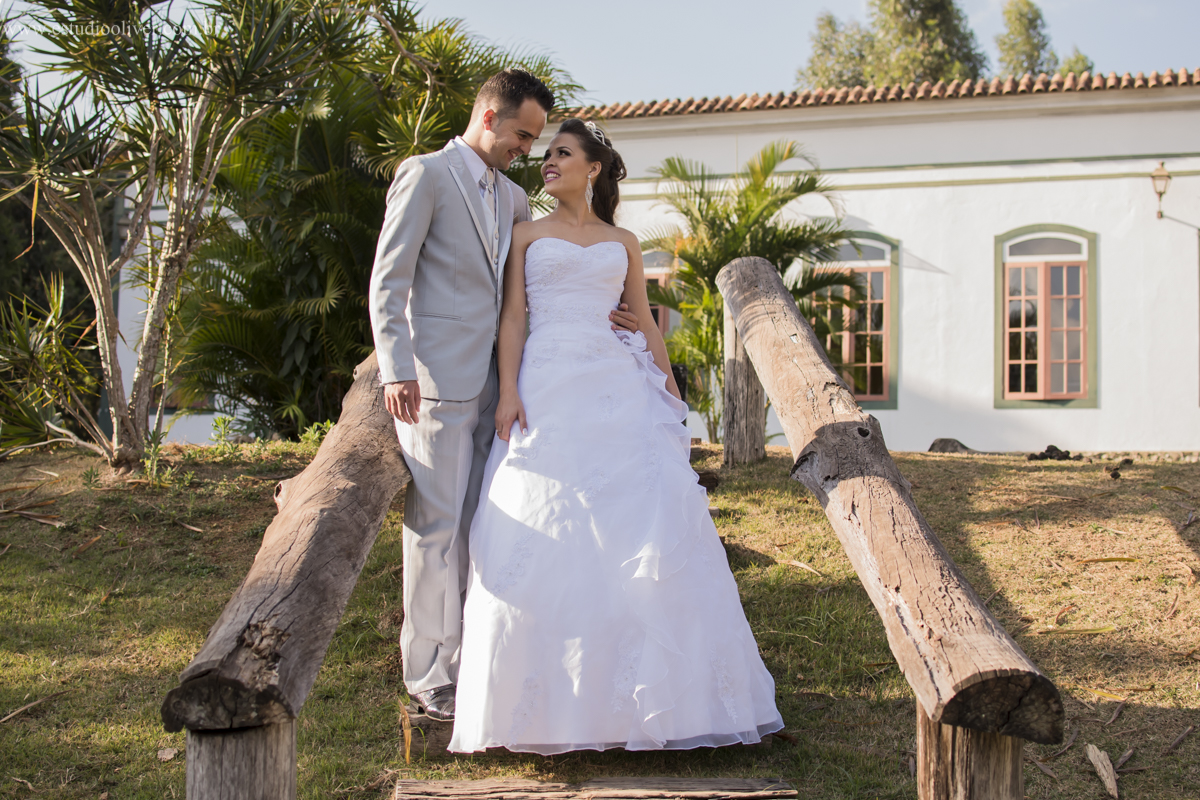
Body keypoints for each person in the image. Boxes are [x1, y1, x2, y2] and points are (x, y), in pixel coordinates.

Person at [448, 119, 784, 754]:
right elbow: (514, 315)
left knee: (639, 523)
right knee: (544, 521)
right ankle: (543, 711)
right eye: (544, 153)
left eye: (562, 153)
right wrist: (511, 389)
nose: (548, 162)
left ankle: (658, 708)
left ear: (593, 168)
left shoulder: (624, 241)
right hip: (546, 385)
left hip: (615, 384)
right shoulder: (525, 233)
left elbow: (645, 322)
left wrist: (670, 393)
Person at [368, 72, 642, 722]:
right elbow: (389, 276)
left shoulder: (516, 202)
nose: (529, 149)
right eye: (522, 134)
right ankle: (430, 676)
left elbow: (533, 288)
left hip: (501, 387)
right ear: (489, 117)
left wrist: (603, 316)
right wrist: (395, 368)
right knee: (433, 531)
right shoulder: (426, 174)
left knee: (478, 530)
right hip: (433, 384)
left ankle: (476, 665)